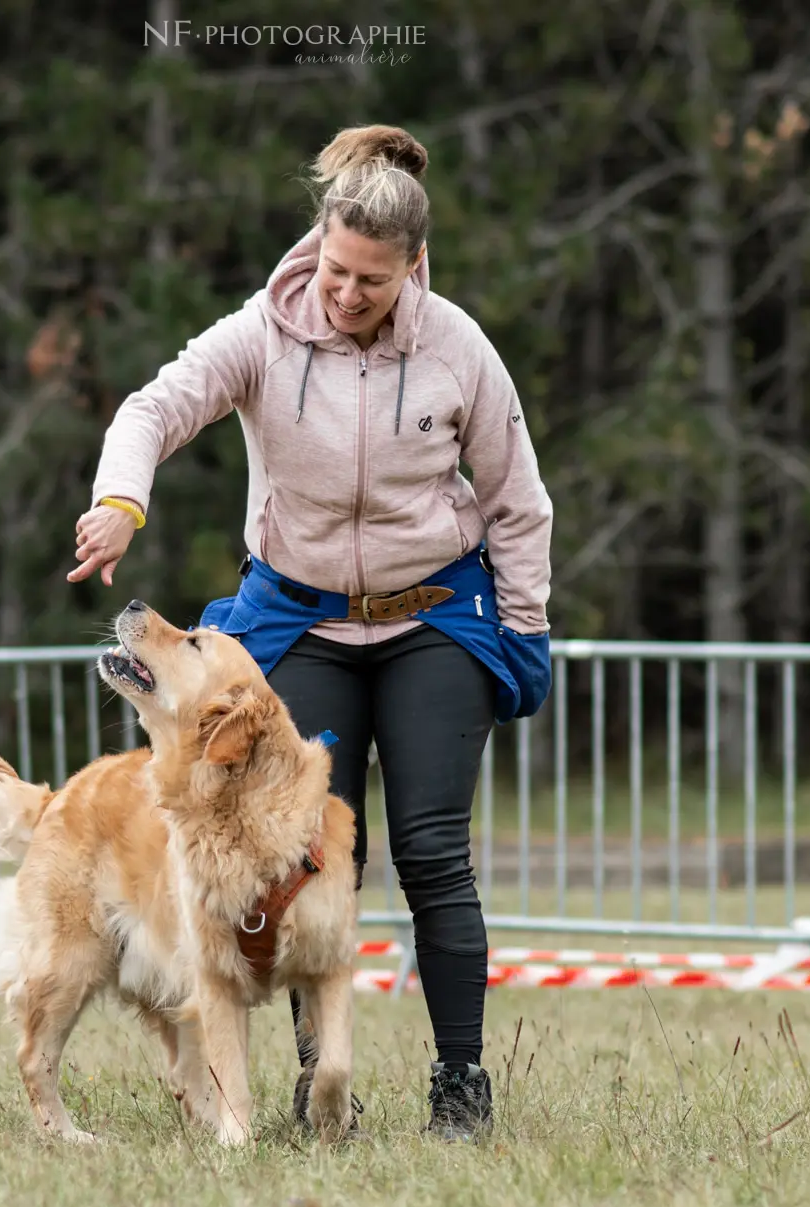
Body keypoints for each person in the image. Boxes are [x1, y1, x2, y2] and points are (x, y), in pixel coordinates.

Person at [66, 124, 554, 1142]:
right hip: (298, 615)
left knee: (429, 851)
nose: (345, 294)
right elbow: (154, 409)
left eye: (371, 282)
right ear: (316, 245)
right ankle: (312, 1079)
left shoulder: (458, 348)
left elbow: (517, 502)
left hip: (431, 619)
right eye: (334, 270)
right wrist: (121, 499)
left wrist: (522, 631)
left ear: (411, 268)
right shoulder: (262, 331)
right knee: (301, 858)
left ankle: (459, 1085)